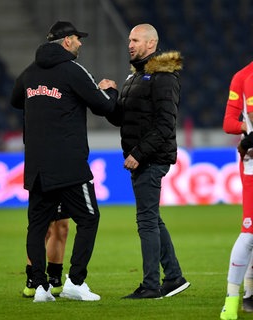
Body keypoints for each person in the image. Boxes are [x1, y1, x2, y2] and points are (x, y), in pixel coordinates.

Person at [10, 21, 117, 302]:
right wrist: (110, 90)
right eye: (77, 39)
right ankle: (75, 282)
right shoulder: (73, 69)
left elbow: (14, 99)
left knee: (37, 226)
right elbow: (104, 105)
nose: (80, 43)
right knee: (89, 218)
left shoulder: (29, 72)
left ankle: (40, 288)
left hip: (37, 165)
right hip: (69, 165)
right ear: (67, 41)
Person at [103, 23, 190, 299]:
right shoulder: (134, 78)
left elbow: (166, 125)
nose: (130, 44)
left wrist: (138, 153)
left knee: (146, 221)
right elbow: (121, 118)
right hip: (143, 158)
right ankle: (174, 277)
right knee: (152, 218)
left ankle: (152, 286)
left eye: (136, 40)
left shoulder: (164, 77)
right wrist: (111, 95)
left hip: (151, 159)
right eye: (129, 39)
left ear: (151, 44)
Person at [220, 62, 253, 319]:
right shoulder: (243, 77)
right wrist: (249, 129)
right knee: (249, 232)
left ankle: (250, 295)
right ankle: (232, 300)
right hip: (252, 162)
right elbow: (229, 123)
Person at [23, 206, 69, 298]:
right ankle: (32, 279)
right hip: (42, 192)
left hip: (62, 191)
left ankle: (55, 279)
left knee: (62, 227)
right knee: (42, 228)